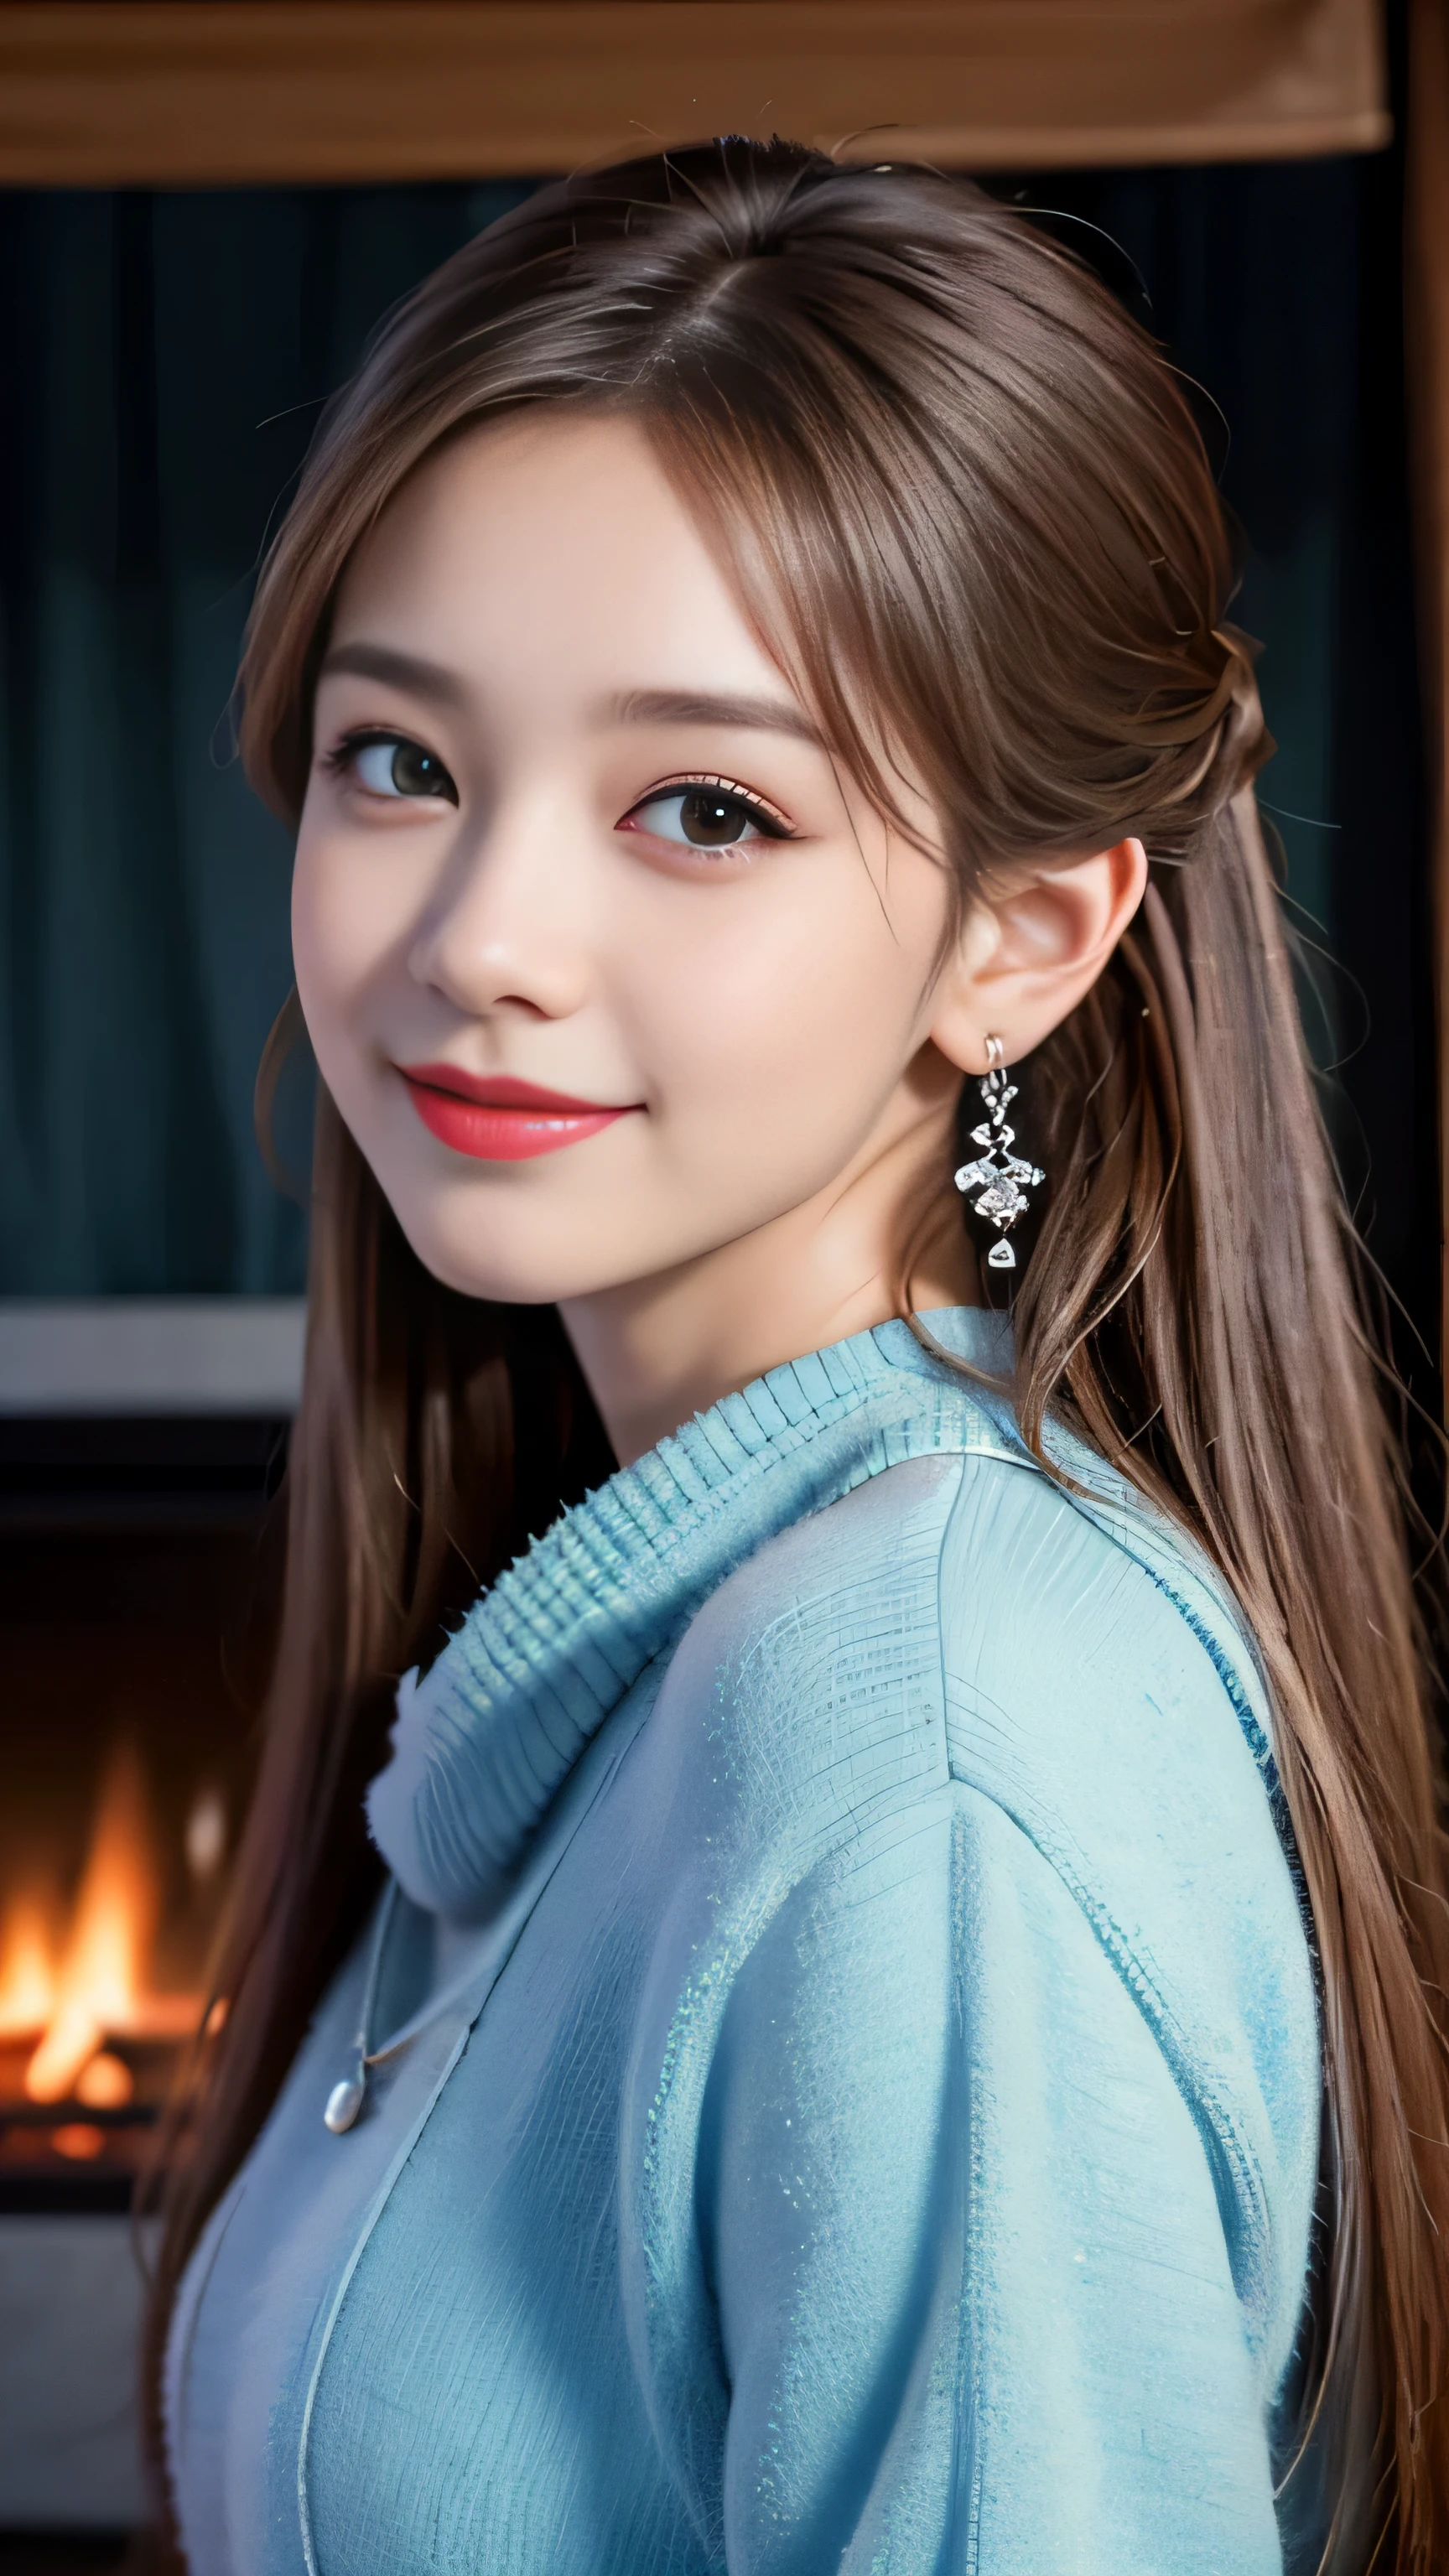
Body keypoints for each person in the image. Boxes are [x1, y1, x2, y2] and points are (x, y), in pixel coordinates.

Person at [146, 140, 1449, 2574]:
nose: (481, 937)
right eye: (399, 759)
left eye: (707, 808)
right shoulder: (665, 1652)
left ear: (1024, 939)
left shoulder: (924, 1729)